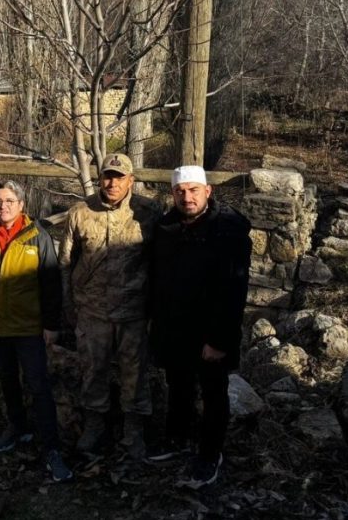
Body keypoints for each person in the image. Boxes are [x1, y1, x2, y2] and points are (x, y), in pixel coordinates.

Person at [147, 166, 252, 489]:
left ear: (208, 191)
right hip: (175, 326)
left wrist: (219, 339)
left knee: (213, 392)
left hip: (211, 329)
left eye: (193, 190)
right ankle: (177, 437)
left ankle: (210, 454)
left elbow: (234, 290)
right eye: (180, 191)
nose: (186, 197)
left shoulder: (227, 229)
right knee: (177, 383)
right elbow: (157, 280)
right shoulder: (166, 227)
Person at [59, 153, 161, 456]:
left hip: (133, 311)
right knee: (93, 370)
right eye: (107, 175)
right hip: (92, 311)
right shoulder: (80, 212)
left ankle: (133, 430)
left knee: (135, 372)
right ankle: (94, 425)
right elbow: (66, 261)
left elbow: (160, 263)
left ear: (131, 180)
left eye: (119, 176)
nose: (112, 182)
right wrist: (69, 307)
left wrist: (156, 309)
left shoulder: (149, 213)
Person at [0, 180, 73, 483]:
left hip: (29, 327)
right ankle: (18, 427)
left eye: (8, 201)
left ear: (21, 205)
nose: (2, 206)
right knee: (7, 382)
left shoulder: (37, 237)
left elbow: (50, 283)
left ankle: (51, 448)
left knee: (38, 386)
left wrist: (51, 325)